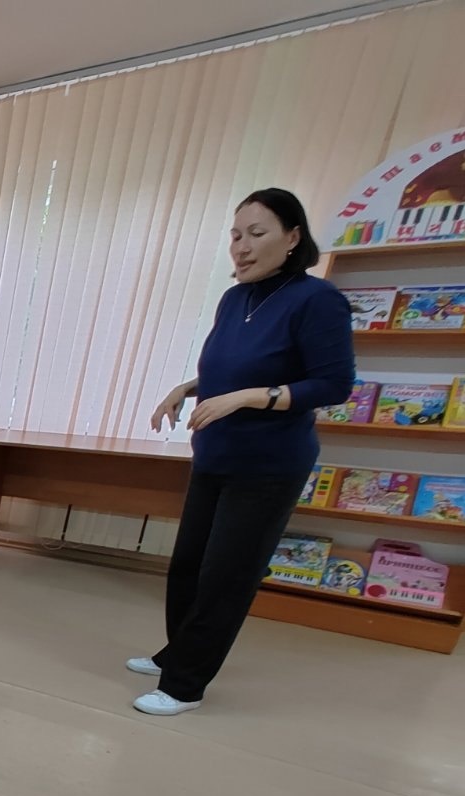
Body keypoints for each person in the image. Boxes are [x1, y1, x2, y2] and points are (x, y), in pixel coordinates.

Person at [136, 188, 355, 716]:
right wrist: (188, 388)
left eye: (257, 234)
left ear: (293, 237)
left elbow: (332, 385)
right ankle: (176, 655)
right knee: (188, 565)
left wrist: (247, 397)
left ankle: (185, 685)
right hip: (215, 453)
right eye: (236, 235)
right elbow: (231, 367)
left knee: (226, 575)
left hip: (268, 464)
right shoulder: (236, 297)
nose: (241, 246)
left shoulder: (317, 299)